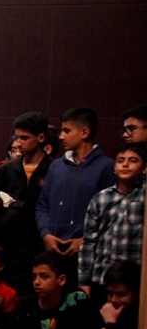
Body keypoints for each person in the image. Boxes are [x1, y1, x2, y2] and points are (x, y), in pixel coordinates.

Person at [36, 107, 116, 282]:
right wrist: (46, 234)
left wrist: (84, 241)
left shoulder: (107, 167)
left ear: (84, 132)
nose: (61, 136)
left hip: (90, 257)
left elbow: (111, 215)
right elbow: (42, 205)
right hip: (53, 254)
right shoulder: (56, 166)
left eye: (67, 131)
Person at [78, 142, 145, 298]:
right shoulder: (101, 198)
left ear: (144, 168)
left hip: (135, 280)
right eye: (120, 160)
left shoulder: (144, 195)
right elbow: (88, 242)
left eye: (133, 160)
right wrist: (84, 281)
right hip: (102, 277)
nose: (125, 164)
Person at [0, 111, 52, 213]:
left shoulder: (54, 169)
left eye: (24, 138)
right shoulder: (7, 169)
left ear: (41, 138)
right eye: (17, 137)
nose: (18, 143)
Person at [99, 261, 140, 329]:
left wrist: (111, 326)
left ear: (136, 294)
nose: (113, 300)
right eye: (110, 293)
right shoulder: (104, 310)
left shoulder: (139, 317)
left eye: (120, 294)